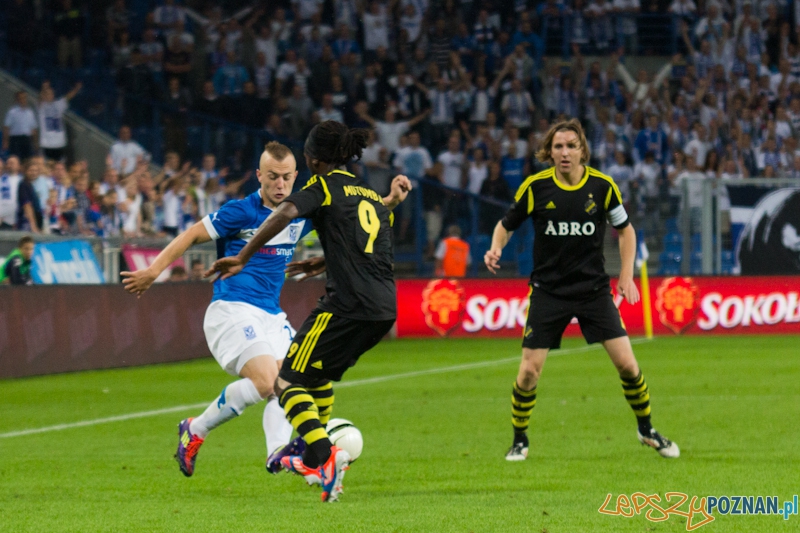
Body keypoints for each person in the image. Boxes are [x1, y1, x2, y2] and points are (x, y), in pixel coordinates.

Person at [206, 121, 411, 502]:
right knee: (316, 380)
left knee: (284, 383)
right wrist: (324, 260)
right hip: (384, 308)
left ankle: (321, 456)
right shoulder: (365, 193)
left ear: (313, 159)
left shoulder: (322, 187)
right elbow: (363, 235)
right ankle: (316, 453)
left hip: (347, 305)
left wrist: (242, 255)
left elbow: (283, 213)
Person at [483, 119, 679, 462]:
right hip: (549, 291)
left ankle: (647, 430)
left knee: (629, 367)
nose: (564, 153)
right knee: (529, 371)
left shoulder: (603, 187)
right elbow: (505, 225)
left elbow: (627, 231)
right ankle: (519, 440)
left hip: (592, 291)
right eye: (558, 146)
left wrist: (627, 274)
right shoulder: (535, 187)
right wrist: (495, 247)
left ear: (582, 151)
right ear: (549, 151)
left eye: (571, 146)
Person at [121, 143, 309, 478]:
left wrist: (390, 202)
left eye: (285, 178)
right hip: (232, 309)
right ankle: (210, 433)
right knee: (267, 381)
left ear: (295, 176)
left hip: (271, 315)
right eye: (272, 178)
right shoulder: (241, 211)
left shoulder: (300, 213)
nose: (279, 185)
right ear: (258, 177)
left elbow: (351, 213)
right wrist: (154, 270)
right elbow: (193, 234)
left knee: (290, 383)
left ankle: (270, 453)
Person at [39, 82, 82, 162]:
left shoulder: (58, 104)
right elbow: (40, 99)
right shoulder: (42, 107)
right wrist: (44, 88)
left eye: (51, 94)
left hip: (59, 143)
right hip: (47, 143)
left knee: (59, 165)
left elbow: (68, 97)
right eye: (47, 94)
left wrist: (76, 89)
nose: (49, 96)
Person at [3, 91, 38, 160]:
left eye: (24, 98)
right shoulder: (12, 112)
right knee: (15, 158)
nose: (23, 100)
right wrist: (5, 141)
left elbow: (33, 129)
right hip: (15, 139)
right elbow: (6, 127)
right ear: (17, 100)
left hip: (27, 139)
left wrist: (35, 143)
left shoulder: (30, 112)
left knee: (27, 160)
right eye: (21, 98)